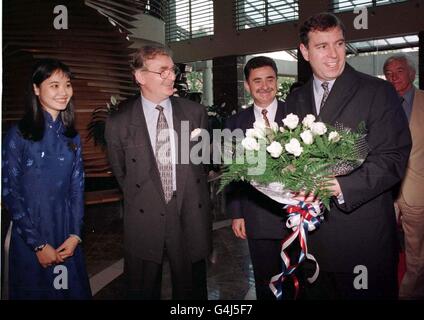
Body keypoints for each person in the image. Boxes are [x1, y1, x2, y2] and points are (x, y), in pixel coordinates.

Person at [285, 13, 411, 299]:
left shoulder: (377, 92)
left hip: (362, 239)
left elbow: (393, 158)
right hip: (311, 242)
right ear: (304, 52)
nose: (333, 55)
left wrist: (341, 187)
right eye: (322, 46)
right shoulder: (295, 99)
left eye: (339, 44)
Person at [105, 45, 212, 300]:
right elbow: (122, 174)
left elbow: (203, 163)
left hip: (187, 210)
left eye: (172, 70)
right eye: (162, 71)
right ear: (140, 77)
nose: (171, 76)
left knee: (191, 290)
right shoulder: (119, 123)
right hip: (145, 212)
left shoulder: (195, 113)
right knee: (142, 288)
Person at [2, 58, 91, 299]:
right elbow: (9, 191)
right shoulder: (17, 135)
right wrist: (38, 245)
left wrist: (75, 235)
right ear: (35, 88)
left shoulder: (72, 138)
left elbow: (76, 189)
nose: (64, 92)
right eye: (54, 85)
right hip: (29, 231)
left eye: (68, 85)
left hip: (65, 231)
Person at [225, 56, 291, 300]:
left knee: (298, 278)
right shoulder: (234, 123)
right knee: (265, 279)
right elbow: (231, 172)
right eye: (257, 81)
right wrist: (237, 213)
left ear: (277, 81)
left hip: (297, 214)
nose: (264, 86)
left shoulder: (297, 112)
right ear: (247, 85)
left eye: (269, 79)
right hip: (257, 213)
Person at [384, 54, 424, 299]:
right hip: (385, 190)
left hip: (417, 190)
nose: (393, 77)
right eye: (389, 73)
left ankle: (409, 294)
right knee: (381, 245)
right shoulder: (382, 103)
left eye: (399, 71)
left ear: (412, 73)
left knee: (416, 251)